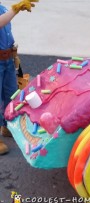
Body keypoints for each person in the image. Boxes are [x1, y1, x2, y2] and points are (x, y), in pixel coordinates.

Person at [0, 0, 39, 155]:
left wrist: (13, 55)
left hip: (7, 60)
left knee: (11, 95)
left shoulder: (1, 7)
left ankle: (6, 125)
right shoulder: (6, 11)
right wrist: (15, 10)